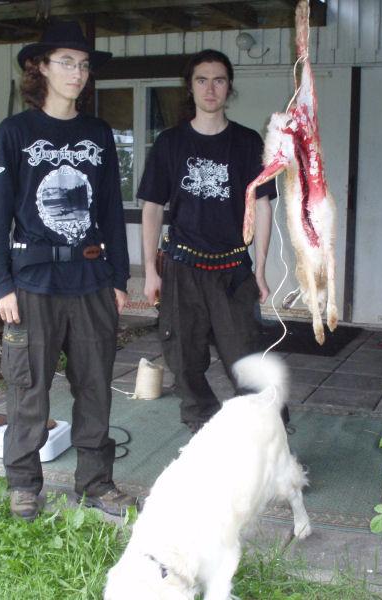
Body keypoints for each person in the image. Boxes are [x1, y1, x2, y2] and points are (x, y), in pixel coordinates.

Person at [0, 21, 136, 520]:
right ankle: (24, 485)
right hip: (32, 283)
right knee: (28, 389)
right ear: (41, 68)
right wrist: (0, 283)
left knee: (95, 387)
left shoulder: (98, 134)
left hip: (91, 280)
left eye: (84, 64)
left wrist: (118, 277)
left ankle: (96, 483)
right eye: (66, 62)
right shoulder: (14, 133)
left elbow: (110, 209)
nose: (78, 72)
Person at [139, 49, 276, 434]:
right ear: (190, 87)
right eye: (202, 80)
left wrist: (261, 270)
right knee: (183, 361)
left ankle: (267, 439)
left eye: (219, 80)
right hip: (182, 268)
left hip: (233, 270)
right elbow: (152, 208)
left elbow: (262, 206)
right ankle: (205, 432)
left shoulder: (248, 142)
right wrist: (150, 271)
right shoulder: (170, 143)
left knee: (247, 360)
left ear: (229, 87)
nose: (210, 88)